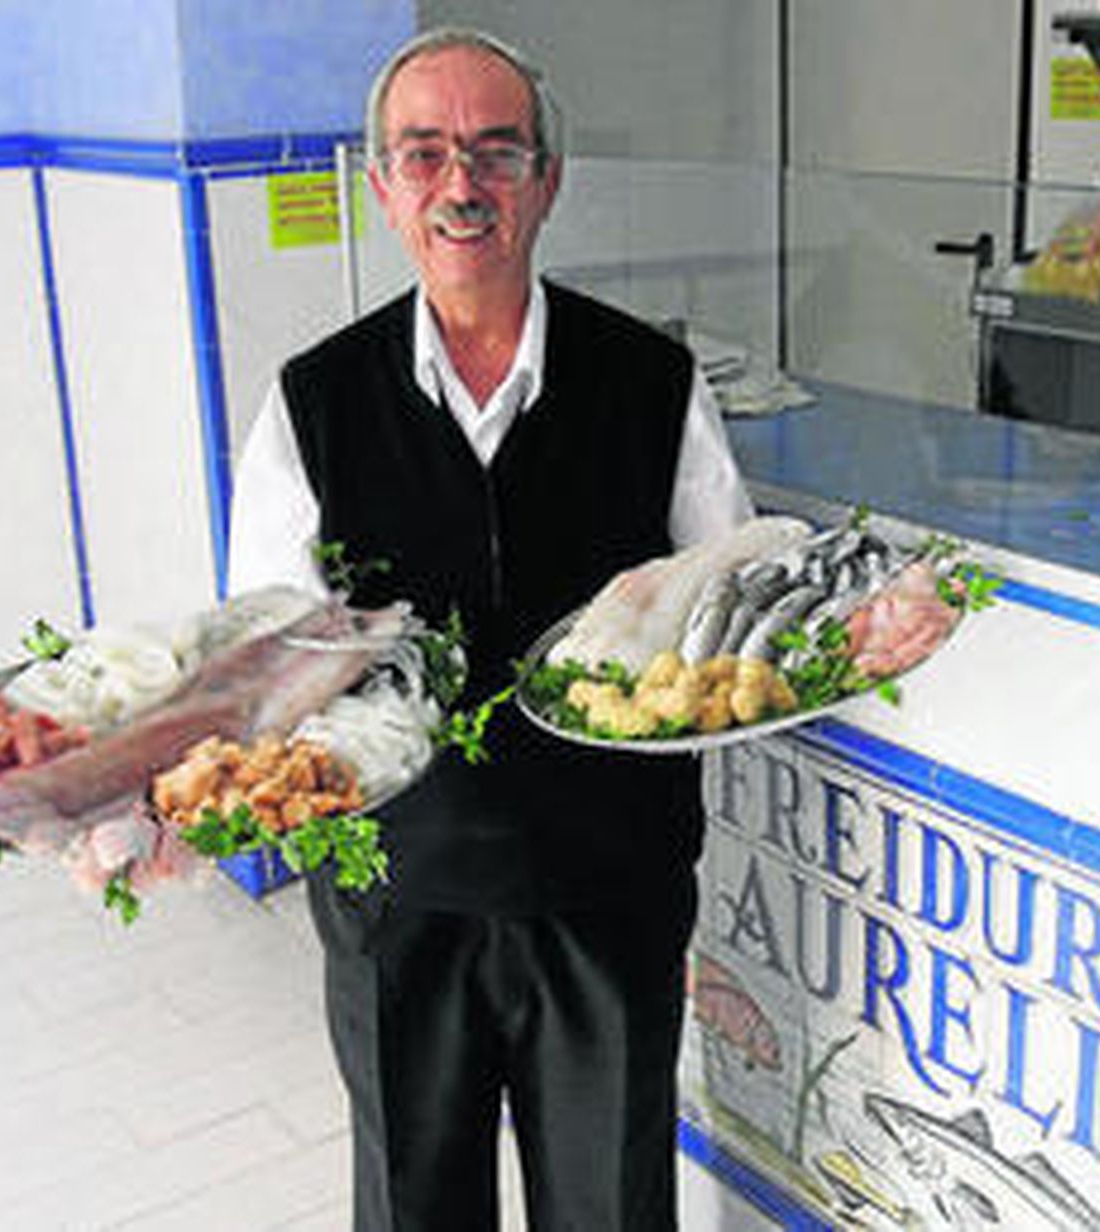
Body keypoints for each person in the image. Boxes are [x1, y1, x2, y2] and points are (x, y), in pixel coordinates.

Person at [228, 27, 753, 1231]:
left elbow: (723, 607)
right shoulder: (313, 400)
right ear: (382, 187)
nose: (460, 185)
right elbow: (267, 660)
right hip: (397, 893)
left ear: (547, 179)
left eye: (495, 151)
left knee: (612, 1201)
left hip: (606, 889)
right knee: (416, 1202)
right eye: (424, 154)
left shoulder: (650, 382)